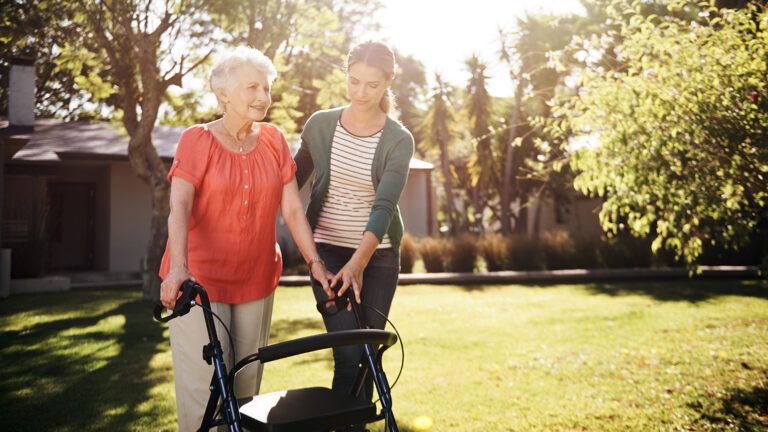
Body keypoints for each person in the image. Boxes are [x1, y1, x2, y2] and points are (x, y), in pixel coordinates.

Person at [158, 46, 334, 432]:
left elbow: (291, 210)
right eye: (252, 87)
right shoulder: (196, 140)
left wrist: (316, 264)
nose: (263, 97)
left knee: (247, 387)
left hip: (255, 277)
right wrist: (178, 270)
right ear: (223, 94)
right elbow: (180, 207)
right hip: (198, 279)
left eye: (267, 88)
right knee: (205, 389)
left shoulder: (273, 140)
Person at [294, 40, 414, 428]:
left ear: (388, 84)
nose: (361, 93)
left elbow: (383, 207)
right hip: (326, 251)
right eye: (354, 81)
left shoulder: (398, 139)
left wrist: (359, 263)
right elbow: (288, 181)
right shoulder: (320, 125)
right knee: (348, 354)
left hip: (378, 258)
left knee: (368, 355)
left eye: (372, 85)